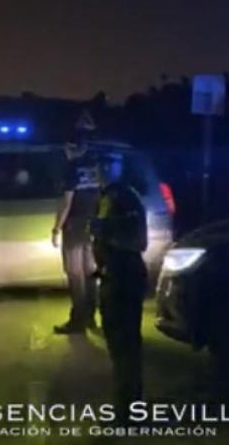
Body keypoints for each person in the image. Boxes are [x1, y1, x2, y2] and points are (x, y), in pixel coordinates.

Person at [91, 151, 148, 420]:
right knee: (118, 345)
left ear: (118, 168)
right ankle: (125, 405)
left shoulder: (124, 197)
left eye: (106, 164)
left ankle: (129, 410)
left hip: (124, 277)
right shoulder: (107, 196)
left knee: (125, 347)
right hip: (113, 277)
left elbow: (137, 241)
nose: (100, 170)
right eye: (98, 165)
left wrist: (107, 234)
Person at [51, 123, 101, 334]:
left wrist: (56, 228)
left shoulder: (72, 169)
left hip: (74, 226)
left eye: (67, 148)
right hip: (93, 224)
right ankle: (91, 317)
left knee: (74, 273)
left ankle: (77, 320)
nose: (65, 152)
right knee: (89, 272)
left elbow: (67, 202)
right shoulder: (94, 167)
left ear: (73, 147)